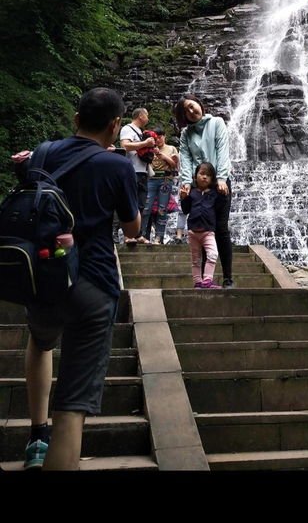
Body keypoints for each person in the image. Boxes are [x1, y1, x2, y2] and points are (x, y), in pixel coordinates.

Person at [24, 87, 140, 471]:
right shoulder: (119, 165)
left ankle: (36, 433)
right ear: (115, 126)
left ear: (75, 120)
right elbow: (131, 226)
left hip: (42, 276)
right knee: (72, 405)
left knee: (40, 343)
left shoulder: (42, 153)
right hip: (92, 284)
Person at [175, 94, 234, 287]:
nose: (192, 112)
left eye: (192, 106)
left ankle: (227, 278)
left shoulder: (217, 122)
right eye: (187, 111)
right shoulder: (185, 134)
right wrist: (186, 182)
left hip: (219, 183)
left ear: (199, 104)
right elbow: (186, 159)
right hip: (196, 186)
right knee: (199, 229)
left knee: (221, 230)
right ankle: (200, 280)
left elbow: (222, 150)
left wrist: (222, 178)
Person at [180, 162, 224, 289]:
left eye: (208, 175)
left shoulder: (214, 194)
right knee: (195, 259)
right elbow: (185, 210)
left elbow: (220, 208)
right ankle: (197, 282)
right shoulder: (192, 193)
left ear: (212, 179)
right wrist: (184, 198)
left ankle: (207, 280)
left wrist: (223, 193)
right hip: (193, 232)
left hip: (208, 231)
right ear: (195, 176)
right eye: (202, 174)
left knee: (213, 254)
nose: (205, 177)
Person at [119, 107, 155, 243]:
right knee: (131, 203)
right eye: (147, 115)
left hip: (142, 172)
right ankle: (128, 235)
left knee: (140, 204)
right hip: (131, 171)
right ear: (140, 115)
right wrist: (145, 143)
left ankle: (138, 234)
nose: (148, 118)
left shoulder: (140, 132)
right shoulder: (127, 129)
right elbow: (125, 146)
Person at [140, 128, 179, 243]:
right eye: (157, 137)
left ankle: (159, 237)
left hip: (165, 180)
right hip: (151, 179)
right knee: (146, 208)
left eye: (161, 136)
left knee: (162, 209)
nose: (159, 139)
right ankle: (141, 235)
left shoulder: (171, 148)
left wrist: (161, 155)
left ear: (165, 136)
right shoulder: (148, 149)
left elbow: (174, 165)